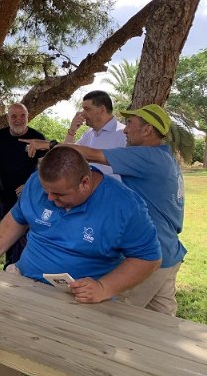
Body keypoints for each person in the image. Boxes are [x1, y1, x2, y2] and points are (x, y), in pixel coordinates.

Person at [0, 146, 161, 376]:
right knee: (1, 354)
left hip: (80, 301)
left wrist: (104, 287)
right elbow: (18, 218)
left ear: (84, 182)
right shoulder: (39, 182)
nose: (49, 199)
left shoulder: (124, 205)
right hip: (23, 285)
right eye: (46, 190)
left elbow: (149, 258)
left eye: (58, 194)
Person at [27, 104, 186, 316]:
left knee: (115, 317)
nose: (126, 130)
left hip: (150, 255)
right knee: (163, 324)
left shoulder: (146, 157)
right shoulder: (166, 158)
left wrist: (50, 145)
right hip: (171, 251)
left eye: (130, 124)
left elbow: (91, 155)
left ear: (147, 130)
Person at [0, 103, 45, 268]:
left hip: (29, 199)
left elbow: (46, 170)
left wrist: (30, 185)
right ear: (7, 118)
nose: (18, 120)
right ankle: (10, 271)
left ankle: (25, 271)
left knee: (26, 239)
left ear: (28, 117)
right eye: (13, 116)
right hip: (5, 198)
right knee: (7, 239)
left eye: (22, 115)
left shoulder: (37, 138)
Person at [64, 90, 126, 179]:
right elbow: (67, 156)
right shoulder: (88, 134)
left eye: (87, 109)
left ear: (102, 109)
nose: (82, 114)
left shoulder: (124, 134)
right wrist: (72, 131)